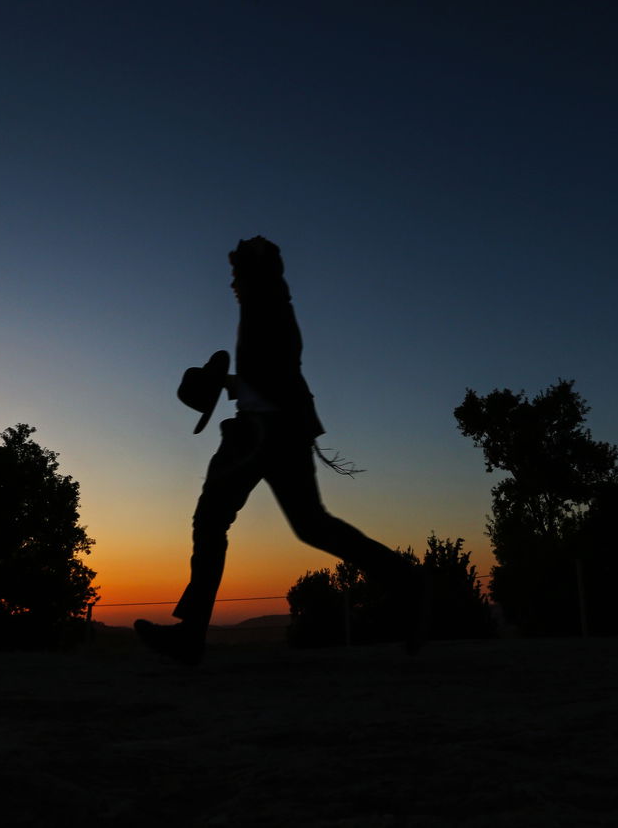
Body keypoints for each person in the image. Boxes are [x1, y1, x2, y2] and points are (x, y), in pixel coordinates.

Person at [135, 236, 428, 665]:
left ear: (255, 274)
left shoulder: (265, 304)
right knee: (307, 525)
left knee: (217, 521)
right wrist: (236, 386)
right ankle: (406, 580)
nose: (233, 282)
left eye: (238, 273)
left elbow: (283, 367)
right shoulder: (264, 306)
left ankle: (191, 636)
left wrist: (246, 397)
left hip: (263, 431)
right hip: (272, 427)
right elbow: (275, 371)